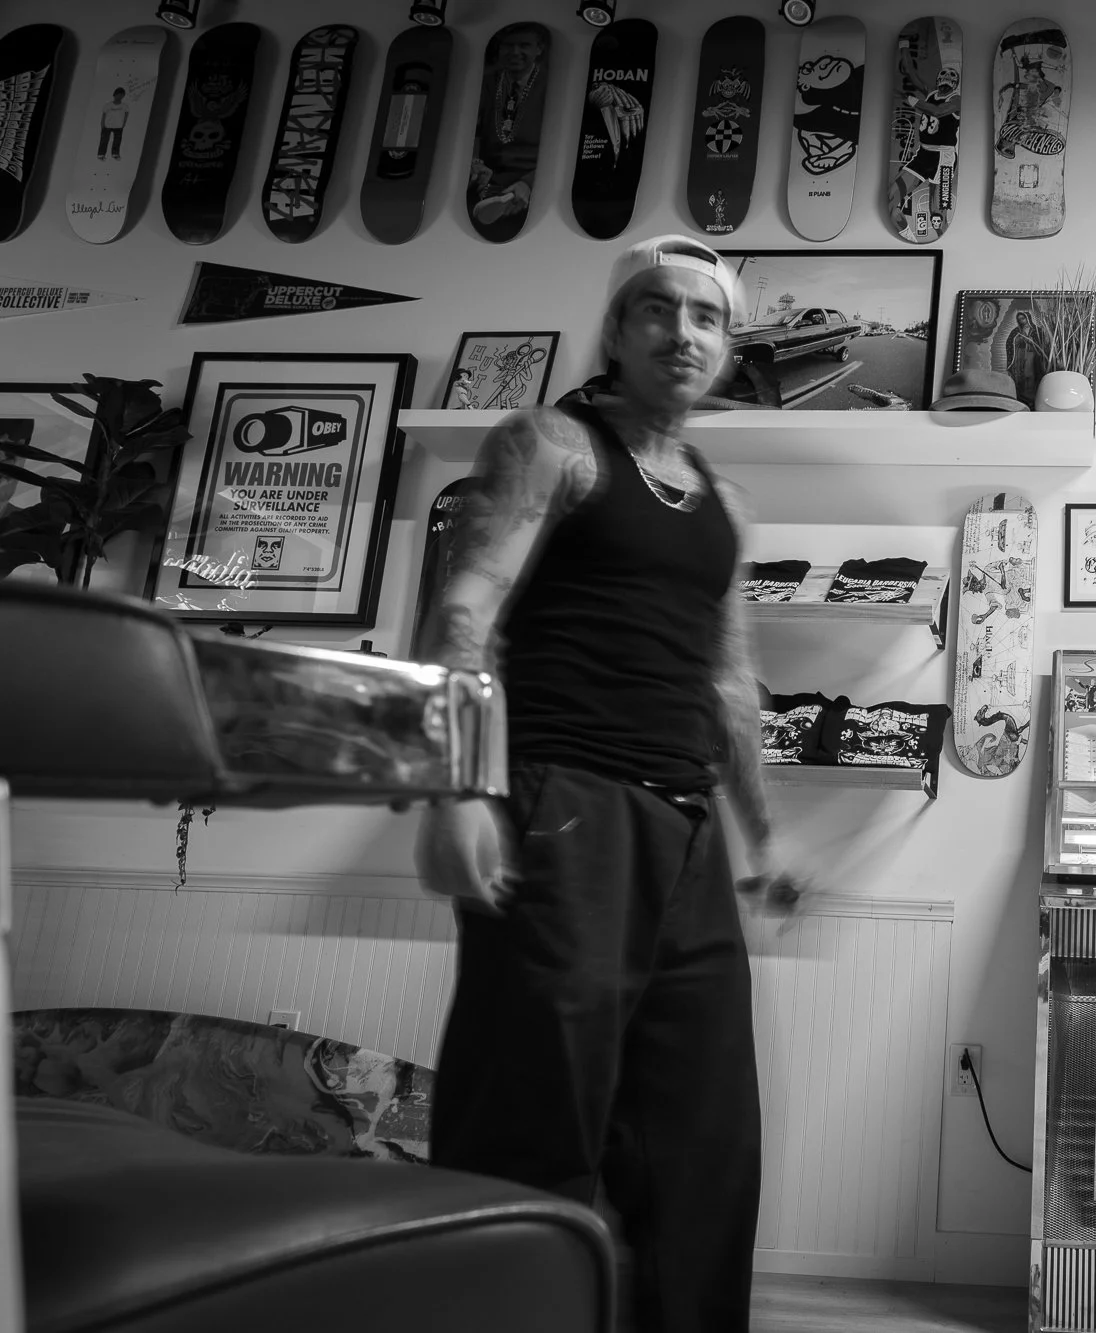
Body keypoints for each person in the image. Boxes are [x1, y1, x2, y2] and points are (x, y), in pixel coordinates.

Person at [415, 234, 803, 1333]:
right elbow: (463, 616)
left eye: (706, 317)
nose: (682, 333)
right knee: (533, 1111)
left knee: (702, 1135)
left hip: (685, 838)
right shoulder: (551, 443)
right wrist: (456, 793)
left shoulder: (726, 506)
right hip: (558, 804)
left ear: (726, 346)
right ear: (617, 331)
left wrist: (763, 837)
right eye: (657, 310)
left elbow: (729, 683)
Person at [467, 23, 548, 224]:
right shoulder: (485, 81)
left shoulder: (552, 84)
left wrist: (530, 183)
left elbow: (563, 149)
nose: (515, 52)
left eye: (524, 45)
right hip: (486, 182)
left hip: (537, 184)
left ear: (539, 49)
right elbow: (469, 131)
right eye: (508, 45)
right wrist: (474, 162)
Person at [98, 88, 128, 160]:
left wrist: (123, 124)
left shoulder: (124, 106)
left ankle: (115, 154)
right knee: (104, 140)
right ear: (115, 95)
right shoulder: (108, 105)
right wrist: (102, 123)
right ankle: (101, 154)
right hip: (107, 125)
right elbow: (104, 115)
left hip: (118, 126)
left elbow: (126, 115)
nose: (119, 97)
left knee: (117, 141)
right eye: (118, 95)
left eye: (121, 95)